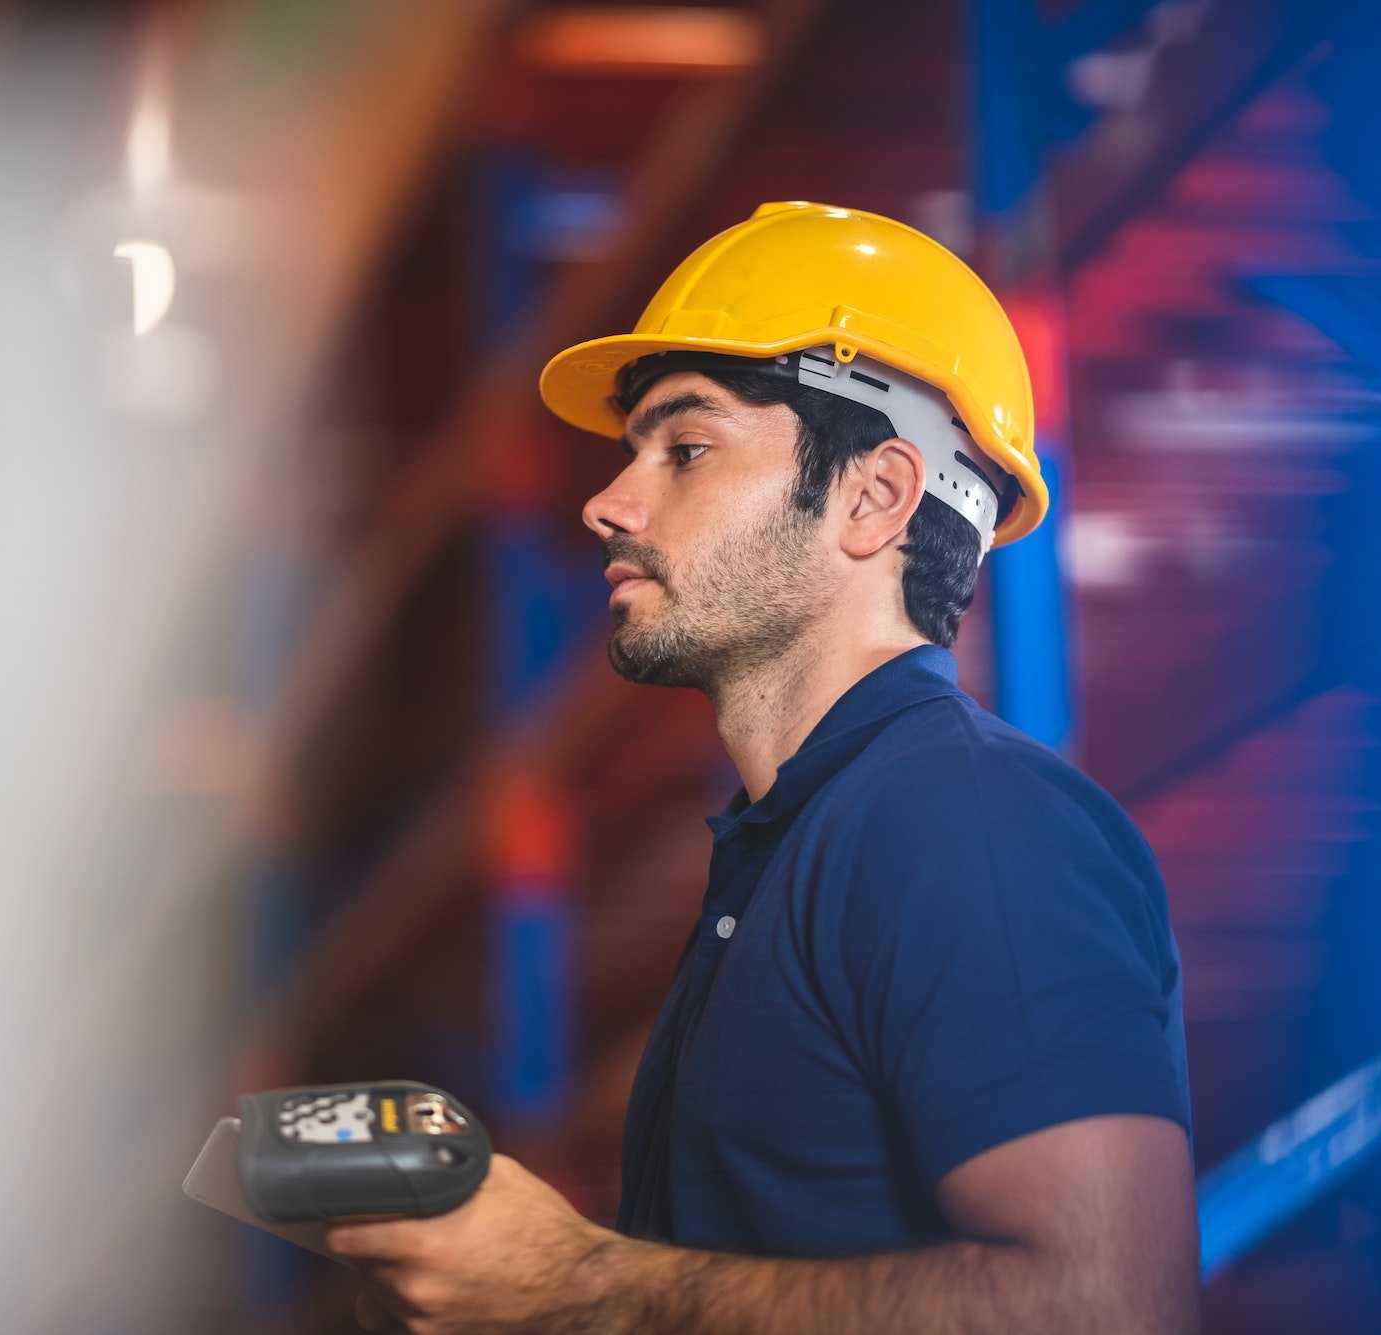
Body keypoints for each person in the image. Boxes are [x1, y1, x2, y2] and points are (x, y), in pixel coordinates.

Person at [324, 202, 1197, 1334]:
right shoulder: (790, 849)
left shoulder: (962, 820)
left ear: (873, 498)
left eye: (683, 449)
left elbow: (1105, 1308)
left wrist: (577, 1285)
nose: (607, 504)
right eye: (630, 452)